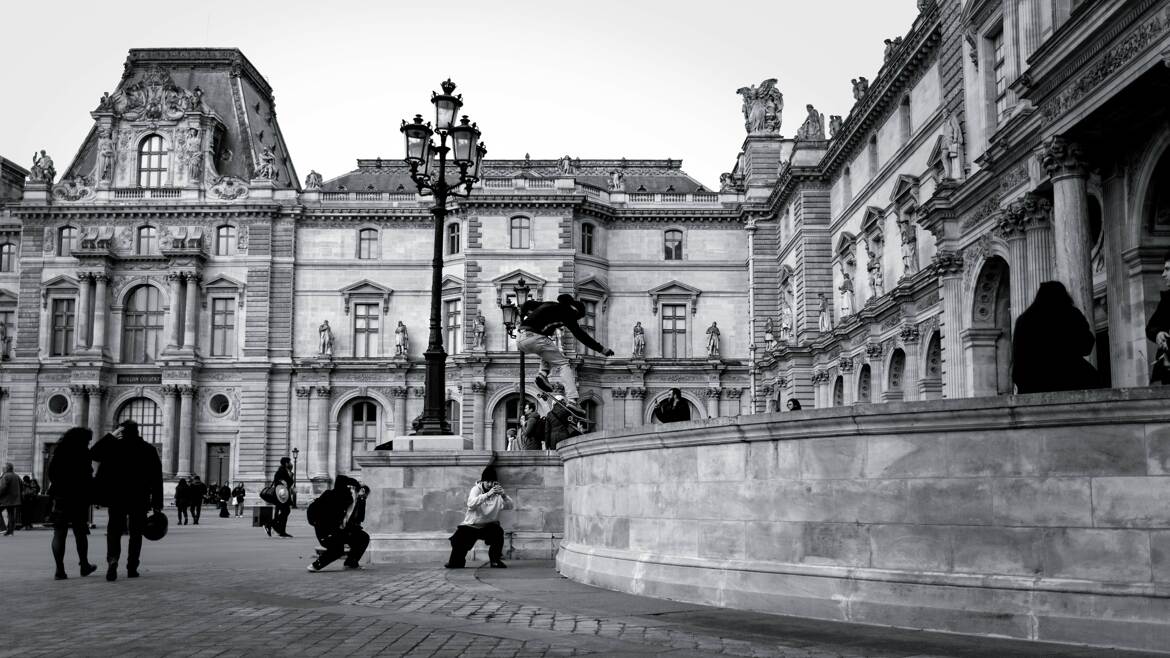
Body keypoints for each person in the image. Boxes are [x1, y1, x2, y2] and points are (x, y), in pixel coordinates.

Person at [90, 421, 163, 581]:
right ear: (138, 432)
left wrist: (111, 435)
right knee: (136, 533)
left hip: (117, 497)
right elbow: (157, 478)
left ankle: (113, 560)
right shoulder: (148, 449)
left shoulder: (113, 447)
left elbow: (93, 453)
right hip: (139, 497)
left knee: (114, 531)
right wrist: (157, 504)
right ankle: (132, 567)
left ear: (121, 431)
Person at [518, 294, 614, 411]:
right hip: (536, 338)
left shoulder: (549, 304)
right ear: (576, 311)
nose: (577, 320)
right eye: (578, 317)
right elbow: (581, 335)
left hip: (521, 339)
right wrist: (602, 349)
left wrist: (522, 315)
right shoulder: (569, 312)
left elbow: (527, 304)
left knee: (549, 348)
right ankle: (573, 400)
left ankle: (543, 374)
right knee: (564, 363)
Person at [1012, 281, 1100, 394]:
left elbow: (1018, 360)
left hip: (1032, 383)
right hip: (1070, 379)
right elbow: (1087, 346)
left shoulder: (1023, 320)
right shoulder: (1071, 314)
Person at [47, 427, 98, 580]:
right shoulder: (83, 454)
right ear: (82, 440)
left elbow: (51, 474)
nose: (88, 444)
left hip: (61, 497)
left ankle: (59, 570)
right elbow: (87, 476)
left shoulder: (58, 452)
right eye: (88, 441)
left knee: (59, 533)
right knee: (80, 533)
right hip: (78, 497)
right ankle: (84, 565)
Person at [445, 465, 514, 569]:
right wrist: (487, 495)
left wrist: (504, 495)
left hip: (488, 526)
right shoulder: (476, 489)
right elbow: (471, 504)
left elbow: (510, 506)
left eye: (492, 482)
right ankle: (456, 562)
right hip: (471, 525)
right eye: (487, 481)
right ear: (482, 481)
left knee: (498, 532)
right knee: (459, 540)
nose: (490, 484)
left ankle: (495, 560)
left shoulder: (498, 492)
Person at [306, 475, 369, 572]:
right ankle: (316, 565)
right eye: (354, 490)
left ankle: (350, 563)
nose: (355, 493)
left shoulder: (354, 501)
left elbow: (360, 518)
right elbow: (313, 511)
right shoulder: (331, 496)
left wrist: (362, 500)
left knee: (363, 538)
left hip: (342, 531)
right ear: (349, 488)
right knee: (337, 550)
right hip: (326, 532)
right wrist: (317, 524)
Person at [1146, 251, 1170, 384]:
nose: (1163, 274)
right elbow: (1150, 328)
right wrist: (1158, 334)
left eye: (1167, 269)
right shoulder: (1166, 301)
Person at [267, 457, 294, 538]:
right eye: (289, 462)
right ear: (286, 463)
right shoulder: (281, 471)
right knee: (286, 511)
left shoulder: (287, 471)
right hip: (281, 495)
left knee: (286, 511)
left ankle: (281, 530)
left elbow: (288, 483)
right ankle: (270, 524)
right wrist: (284, 482)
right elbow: (278, 482)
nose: (291, 463)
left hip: (285, 495)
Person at [0, 462, 22, 536]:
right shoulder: (16, 476)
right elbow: (21, 486)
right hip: (15, 499)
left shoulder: (6, 476)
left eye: (4, 467)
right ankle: (10, 531)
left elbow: (2, 488)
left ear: (7, 468)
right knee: (11, 514)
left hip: (6, 499)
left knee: (9, 514)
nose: (3, 468)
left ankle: (2, 528)